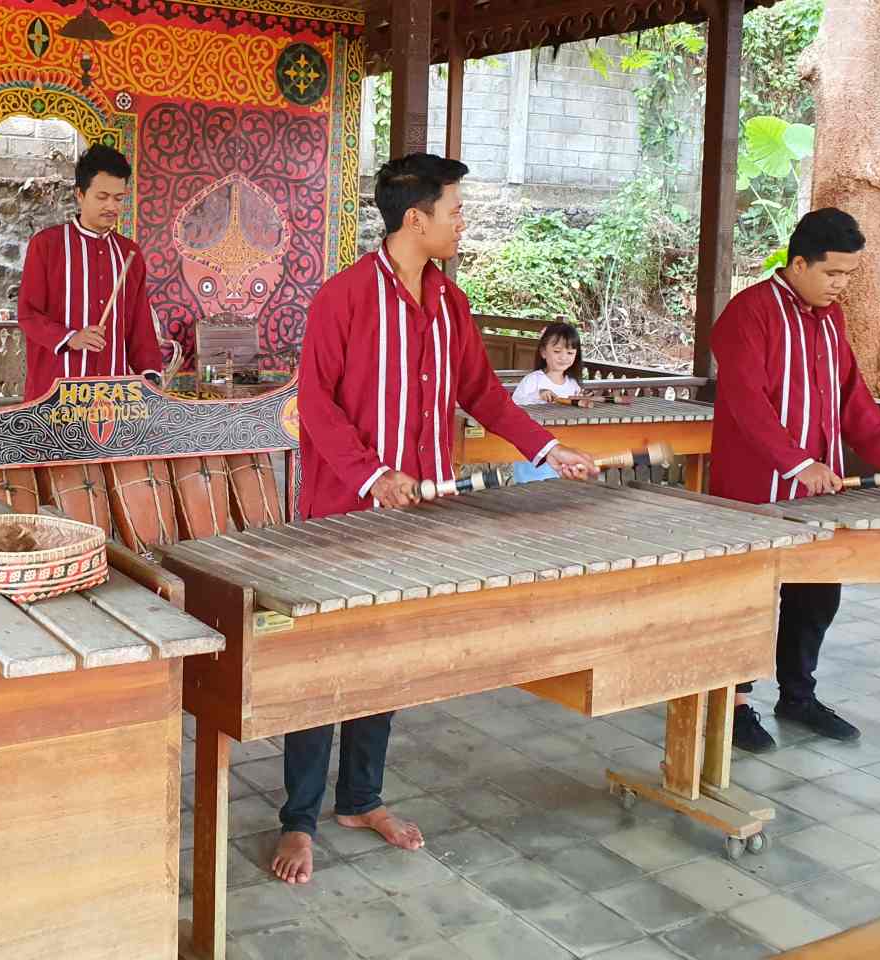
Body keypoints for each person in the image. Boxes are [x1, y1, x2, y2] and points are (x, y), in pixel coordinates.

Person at [275, 153, 598, 884]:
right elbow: (314, 405)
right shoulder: (343, 297)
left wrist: (549, 447)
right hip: (342, 516)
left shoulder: (451, 305)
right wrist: (372, 473)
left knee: (386, 657)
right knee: (323, 665)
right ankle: (298, 819)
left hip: (422, 516)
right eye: (455, 209)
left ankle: (360, 798)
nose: (463, 222)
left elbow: (482, 393)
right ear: (413, 217)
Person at [710, 207, 880, 753]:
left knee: (817, 595)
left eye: (849, 276)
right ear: (798, 263)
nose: (841, 286)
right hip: (754, 491)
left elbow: (853, 400)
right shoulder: (748, 312)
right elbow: (746, 401)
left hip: (820, 496)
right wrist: (796, 462)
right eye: (833, 274)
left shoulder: (832, 319)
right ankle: (733, 704)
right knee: (750, 598)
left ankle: (798, 696)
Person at [17, 143, 164, 401]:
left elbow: (140, 325)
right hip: (53, 393)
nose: (112, 206)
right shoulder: (47, 245)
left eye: (119, 198)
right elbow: (28, 315)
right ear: (80, 195)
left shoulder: (129, 253)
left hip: (112, 395)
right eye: (102, 196)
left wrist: (150, 375)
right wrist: (70, 337)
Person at [510, 321, 585, 482]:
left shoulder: (573, 384)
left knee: (559, 485)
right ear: (544, 352)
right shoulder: (533, 380)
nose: (563, 357)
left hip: (563, 442)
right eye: (557, 351)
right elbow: (513, 407)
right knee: (532, 486)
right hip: (533, 443)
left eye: (570, 353)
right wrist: (538, 395)